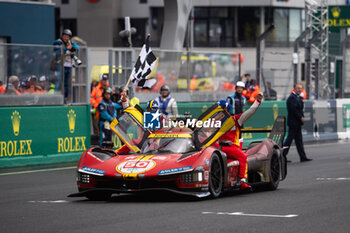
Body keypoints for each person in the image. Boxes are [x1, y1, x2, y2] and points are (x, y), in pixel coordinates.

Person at [215, 92, 264, 190]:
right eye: (217, 109)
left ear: (225, 109)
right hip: (220, 147)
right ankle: (242, 181)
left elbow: (249, 112)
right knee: (243, 156)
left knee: (242, 156)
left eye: (219, 109)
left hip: (225, 148)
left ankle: (242, 180)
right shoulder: (212, 122)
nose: (217, 111)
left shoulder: (234, 120)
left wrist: (257, 102)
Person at [283, 83, 312, 162]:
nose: (299, 90)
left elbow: (299, 110)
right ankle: (282, 156)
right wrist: (300, 117)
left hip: (297, 123)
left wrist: (301, 118)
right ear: (294, 89)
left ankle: (303, 157)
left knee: (299, 141)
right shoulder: (292, 98)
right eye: (298, 88)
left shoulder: (298, 98)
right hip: (293, 122)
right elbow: (294, 110)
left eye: (301, 88)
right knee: (289, 140)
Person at [53, 29, 80, 103]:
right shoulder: (58, 42)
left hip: (68, 65)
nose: (66, 38)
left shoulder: (70, 42)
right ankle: (55, 97)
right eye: (65, 36)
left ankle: (64, 98)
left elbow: (77, 47)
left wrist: (72, 47)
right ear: (62, 36)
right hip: (61, 64)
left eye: (68, 37)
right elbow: (57, 51)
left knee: (66, 83)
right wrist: (65, 49)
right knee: (60, 81)